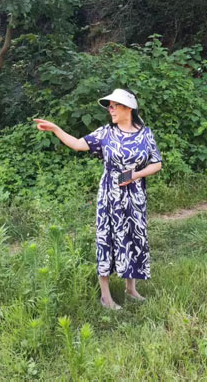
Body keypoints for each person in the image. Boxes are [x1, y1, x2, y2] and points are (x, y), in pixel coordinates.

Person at [34, 88, 162, 310]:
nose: (110, 110)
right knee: (107, 238)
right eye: (109, 106)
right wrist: (56, 129)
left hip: (134, 196)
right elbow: (77, 144)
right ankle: (105, 297)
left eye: (114, 106)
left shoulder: (145, 134)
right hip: (110, 196)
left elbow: (157, 163)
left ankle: (131, 289)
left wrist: (136, 175)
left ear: (128, 108)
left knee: (133, 237)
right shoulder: (106, 133)